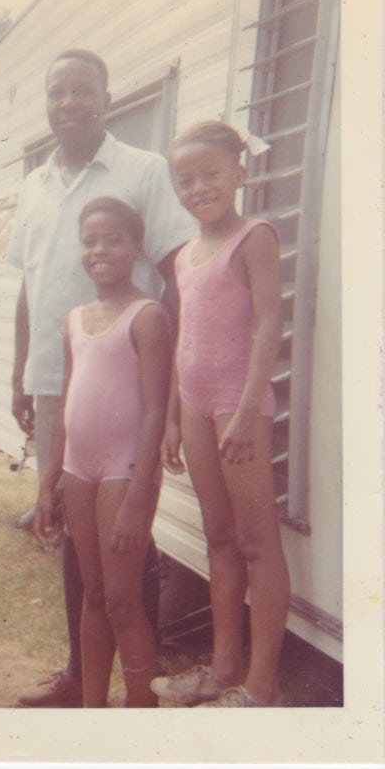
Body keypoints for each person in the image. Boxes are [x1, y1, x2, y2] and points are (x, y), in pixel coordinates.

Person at [8, 48, 197, 708]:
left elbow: (178, 275)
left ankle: (136, 695)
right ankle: (78, 678)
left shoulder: (143, 170)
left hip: (128, 383)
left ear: (107, 97)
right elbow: (29, 285)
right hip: (60, 378)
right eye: (56, 91)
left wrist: (169, 395)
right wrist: (19, 371)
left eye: (81, 90)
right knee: (76, 546)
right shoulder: (34, 183)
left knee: (126, 550)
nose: (68, 103)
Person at [152, 120, 290, 707]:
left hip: (241, 408)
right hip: (196, 405)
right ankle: (222, 666)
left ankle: (259, 687)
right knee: (218, 537)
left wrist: (244, 409)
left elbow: (267, 323)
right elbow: (185, 337)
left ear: (239, 172)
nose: (199, 187)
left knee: (257, 543)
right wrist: (173, 419)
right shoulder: (184, 255)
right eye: (185, 179)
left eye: (211, 174)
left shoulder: (255, 235)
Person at [35, 197, 171, 707]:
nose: (99, 250)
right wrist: (49, 480)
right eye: (90, 240)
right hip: (78, 470)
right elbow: (68, 402)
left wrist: (141, 494)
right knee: (93, 597)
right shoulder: (75, 319)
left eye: (113, 239)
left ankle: (140, 708)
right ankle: (93, 711)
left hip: (123, 473)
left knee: (120, 598)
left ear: (137, 248)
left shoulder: (147, 316)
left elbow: (157, 411)